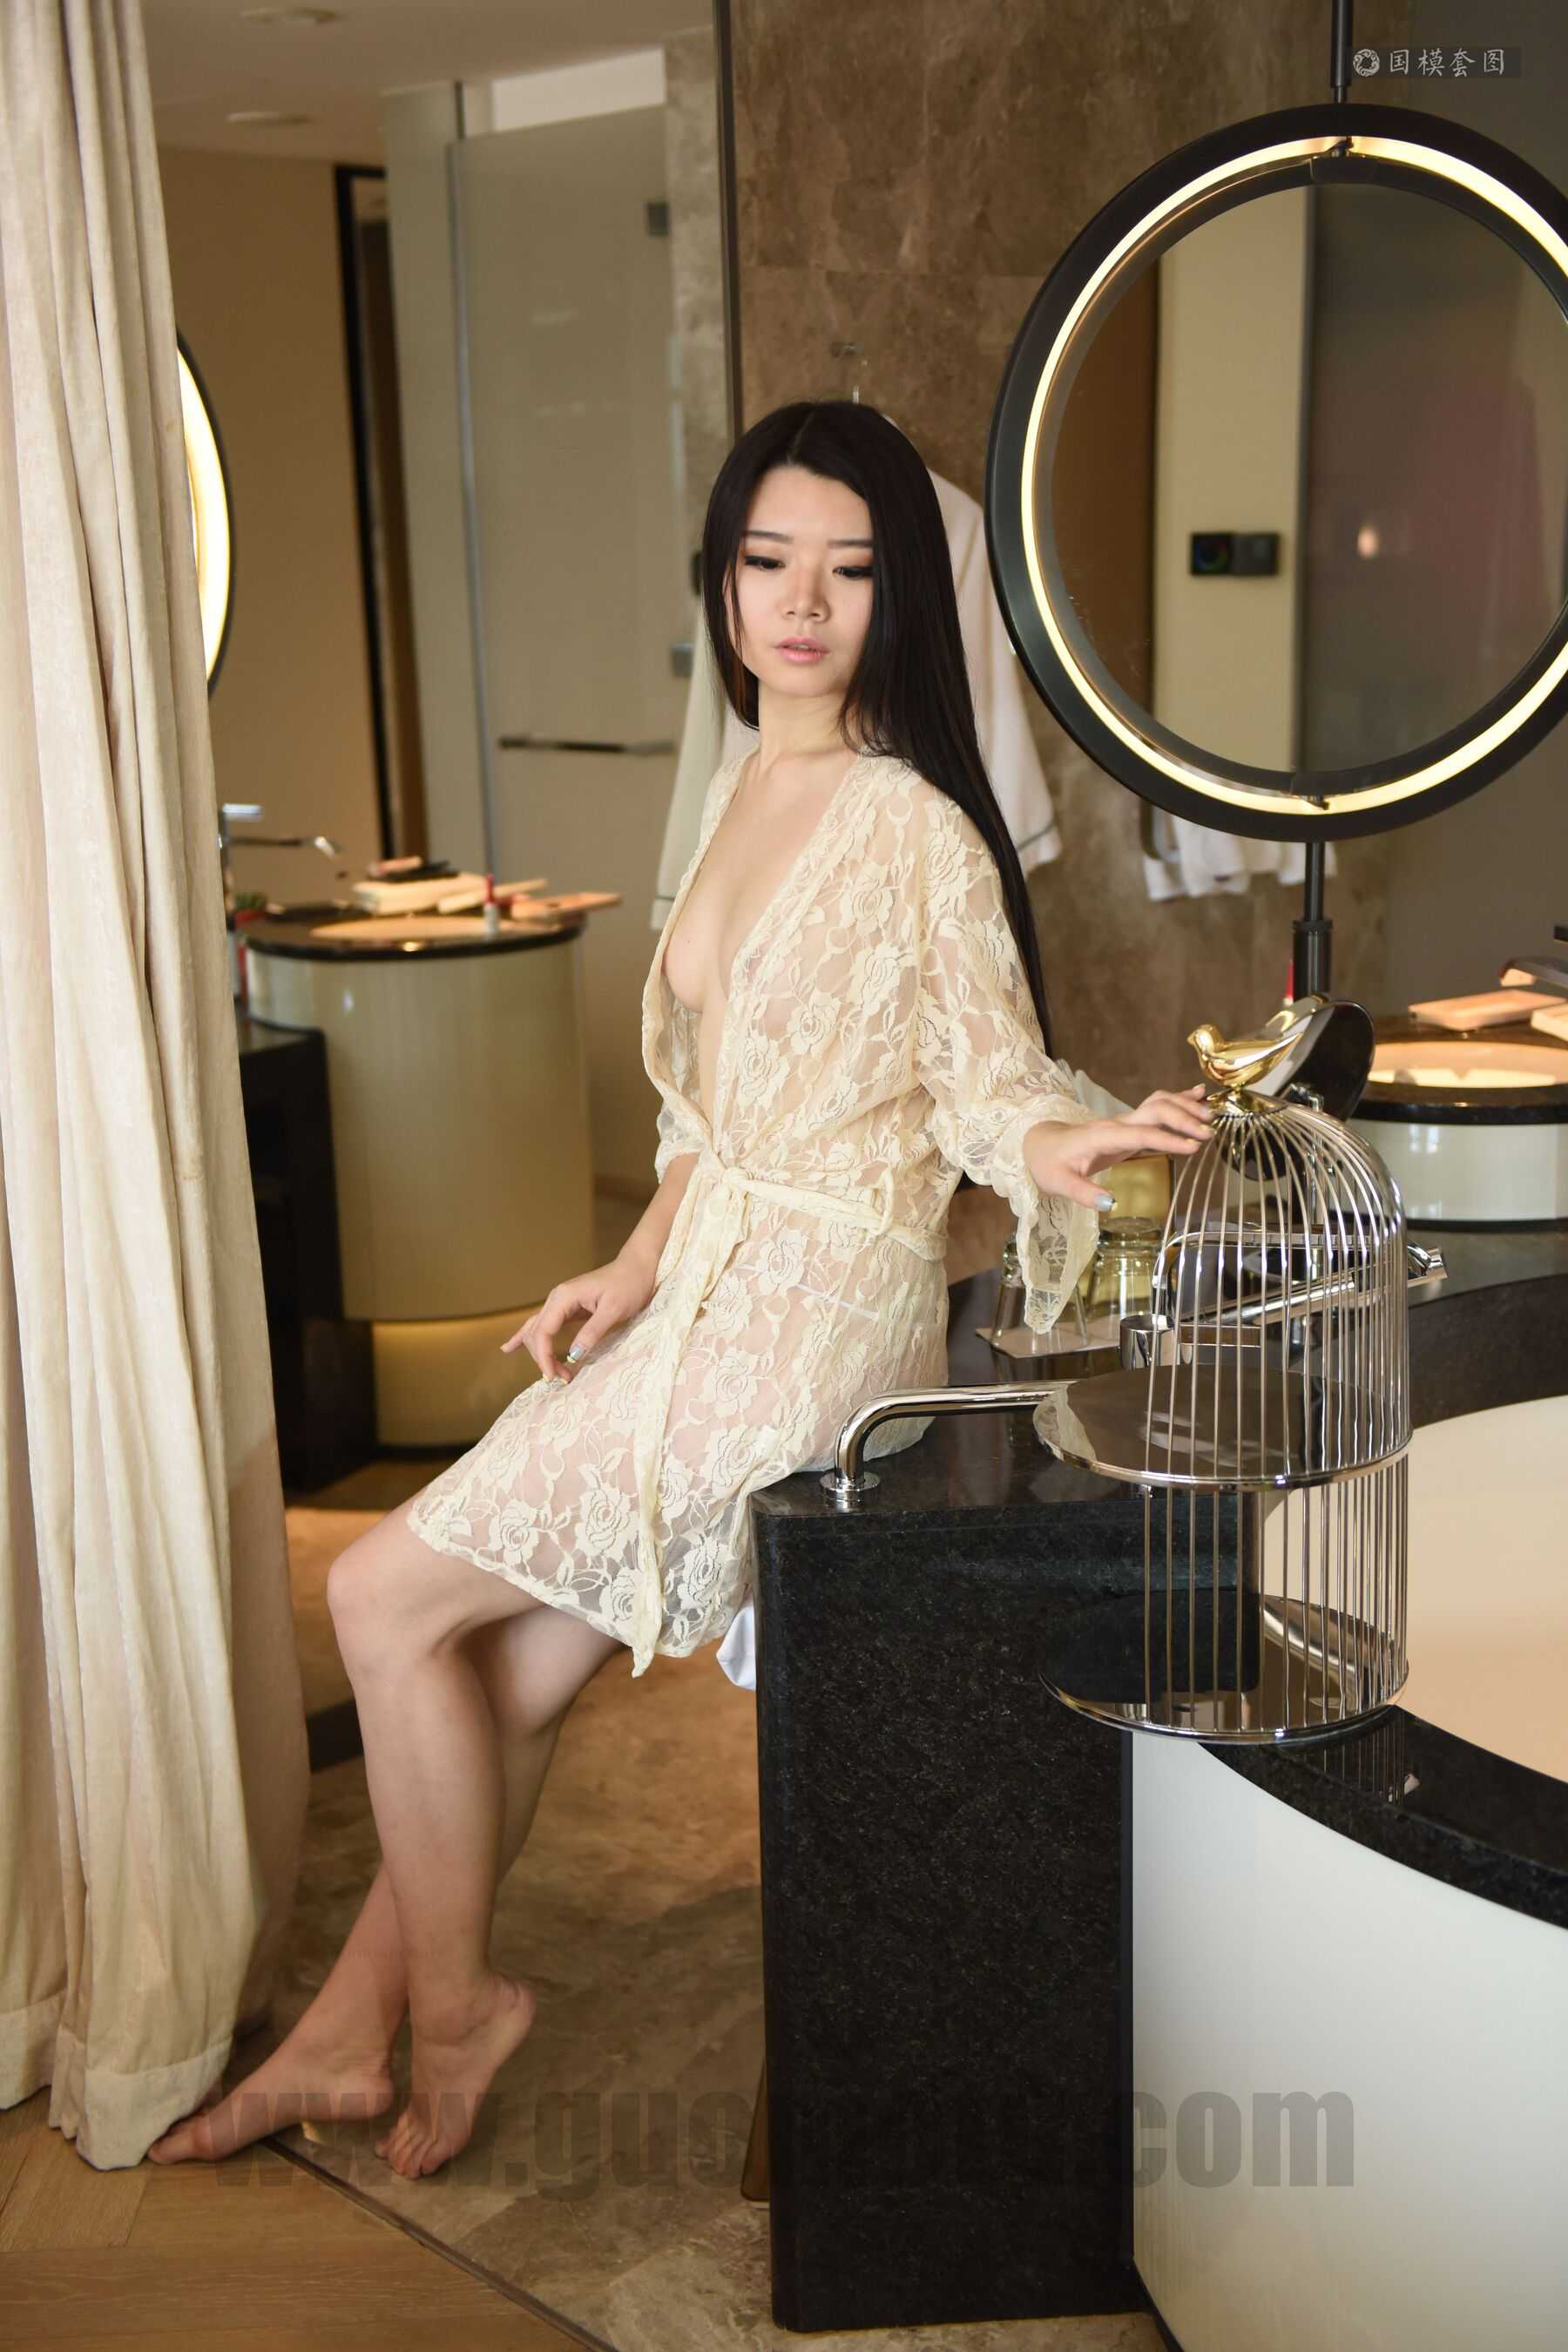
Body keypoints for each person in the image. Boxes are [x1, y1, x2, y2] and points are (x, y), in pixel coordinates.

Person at [147, 402, 1212, 2180]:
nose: (803, 602)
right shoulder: (738, 789)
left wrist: (1060, 1144)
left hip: (811, 1322)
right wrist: (629, 1264)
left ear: (900, 597)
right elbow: (709, 1119)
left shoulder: (915, 831)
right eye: (769, 560)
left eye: (850, 570)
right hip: (706, 1286)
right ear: (722, 579)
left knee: (386, 1601)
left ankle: (458, 2008)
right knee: (504, 1677)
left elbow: (984, 1083)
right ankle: (343, 2039)